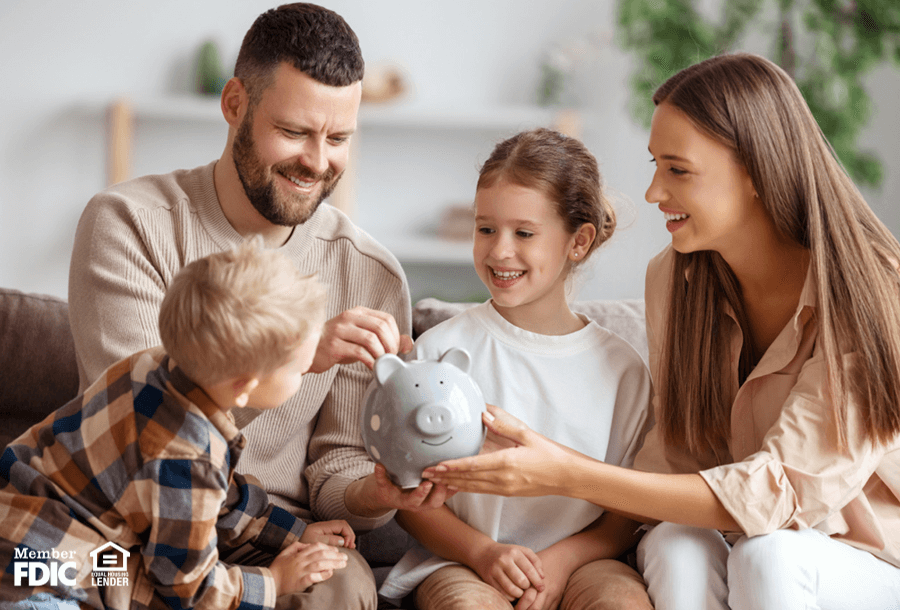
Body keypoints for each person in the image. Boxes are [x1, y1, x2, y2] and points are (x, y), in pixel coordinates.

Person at [422, 53, 900, 610]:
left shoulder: (871, 286)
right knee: (675, 542)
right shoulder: (678, 279)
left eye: (677, 169)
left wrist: (564, 473)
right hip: (749, 540)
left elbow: (779, 494)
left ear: (753, 169)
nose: (652, 192)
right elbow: (672, 462)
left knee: (771, 555)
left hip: (866, 560)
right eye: (656, 165)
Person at [67, 5, 453, 606]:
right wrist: (294, 352)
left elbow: (335, 471)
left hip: (265, 529)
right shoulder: (129, 225)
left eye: (339, 137)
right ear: (234, 104)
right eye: (295, 132)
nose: (318, 161)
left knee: (339, 583)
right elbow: (142, 430)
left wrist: (381, 491)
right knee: (52, 570)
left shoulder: (369, 273)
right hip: (125, 524)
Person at [378, 128, 655, 610]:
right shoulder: (442, 349)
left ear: (579, 241)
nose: (499, 250)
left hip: (583, 563)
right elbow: (410, 498)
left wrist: (564, 561)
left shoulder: (623, 370)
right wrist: (483, 553)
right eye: (486, 229)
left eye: (524, 233)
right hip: (461, 561)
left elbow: (624, 514)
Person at [1, 240, 356, 609]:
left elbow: (220, 497)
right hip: (40, 576)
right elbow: (188, 587)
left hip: (27, 521)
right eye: (300, 370)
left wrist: (294, 533)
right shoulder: (185, 458)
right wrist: (277, 580)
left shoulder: (154, 364)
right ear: (245, 386)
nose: (306, 372)